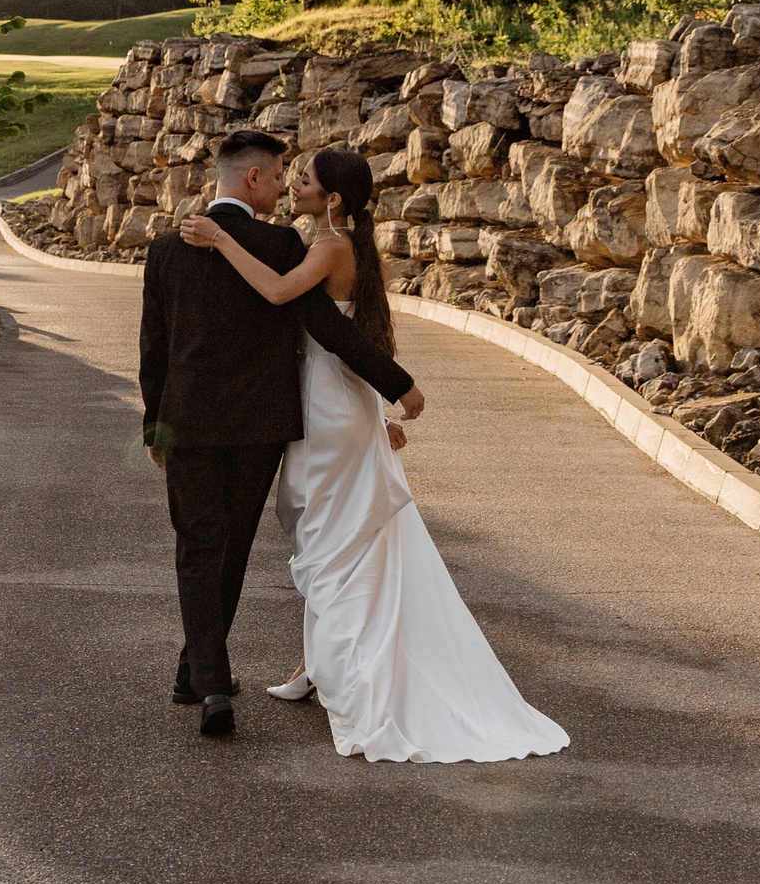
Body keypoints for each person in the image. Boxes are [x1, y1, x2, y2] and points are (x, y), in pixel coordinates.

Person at [179, 147, 568, 764]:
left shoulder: (330, 247)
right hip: (330, 400)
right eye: (290, 177)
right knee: (324, 532)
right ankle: (315, 662)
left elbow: (284, 297)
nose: (292, 186)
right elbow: (337, 334)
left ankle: (343, 672)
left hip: (329, 409)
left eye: (302, 181)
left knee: (329, 536)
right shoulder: (332, 243)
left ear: (332, 199)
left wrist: (221, 239)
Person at [140, 130, 423, 738]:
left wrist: (153, 428)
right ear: (252, 179)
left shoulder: (166, 250)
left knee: (196, 550)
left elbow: (153, 352)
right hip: (259, 428)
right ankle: (199, 672)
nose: (283, 186)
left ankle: (209, 682)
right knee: (232, 547)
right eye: (277, 176)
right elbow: (327, 326)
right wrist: (396, 384)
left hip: (187, 424)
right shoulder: (279, 243)